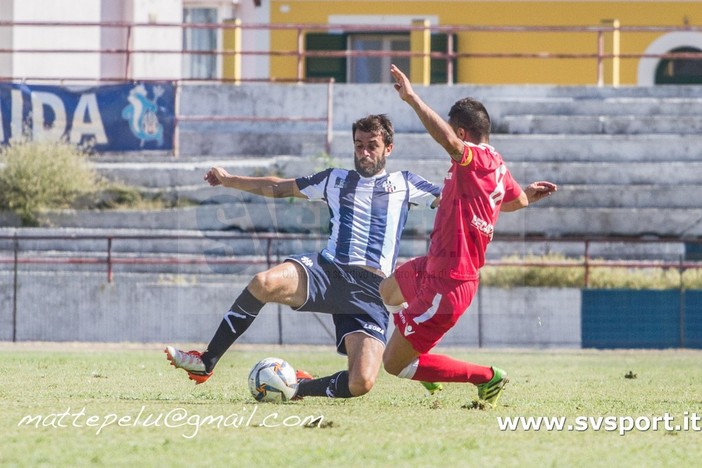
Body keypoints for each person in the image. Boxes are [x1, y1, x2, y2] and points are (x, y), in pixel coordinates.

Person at [165, 114, 442, 399]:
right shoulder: (335, 179)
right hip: (328, 271)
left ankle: (297, 387)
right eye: (359, 145)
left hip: (372, 291)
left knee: (361, 383)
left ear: (389, 148)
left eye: (372, 145)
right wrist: (228, 180)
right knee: (263, 282)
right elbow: (278, 187)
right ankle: (206, 361)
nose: (365, 153)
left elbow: (449, 199)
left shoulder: (406, 184)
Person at [379, 64, 558, 407]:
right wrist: (528, 195)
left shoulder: (474, 159)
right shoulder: (498, 166)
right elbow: (514, 200)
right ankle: (420, 360)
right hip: (435, 266)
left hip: (449, 282)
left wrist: (412, 98)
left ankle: (487, 378)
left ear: (463, 132)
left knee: (391, 364)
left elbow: (447, 140)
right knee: (388, 290)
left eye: (456, 136)